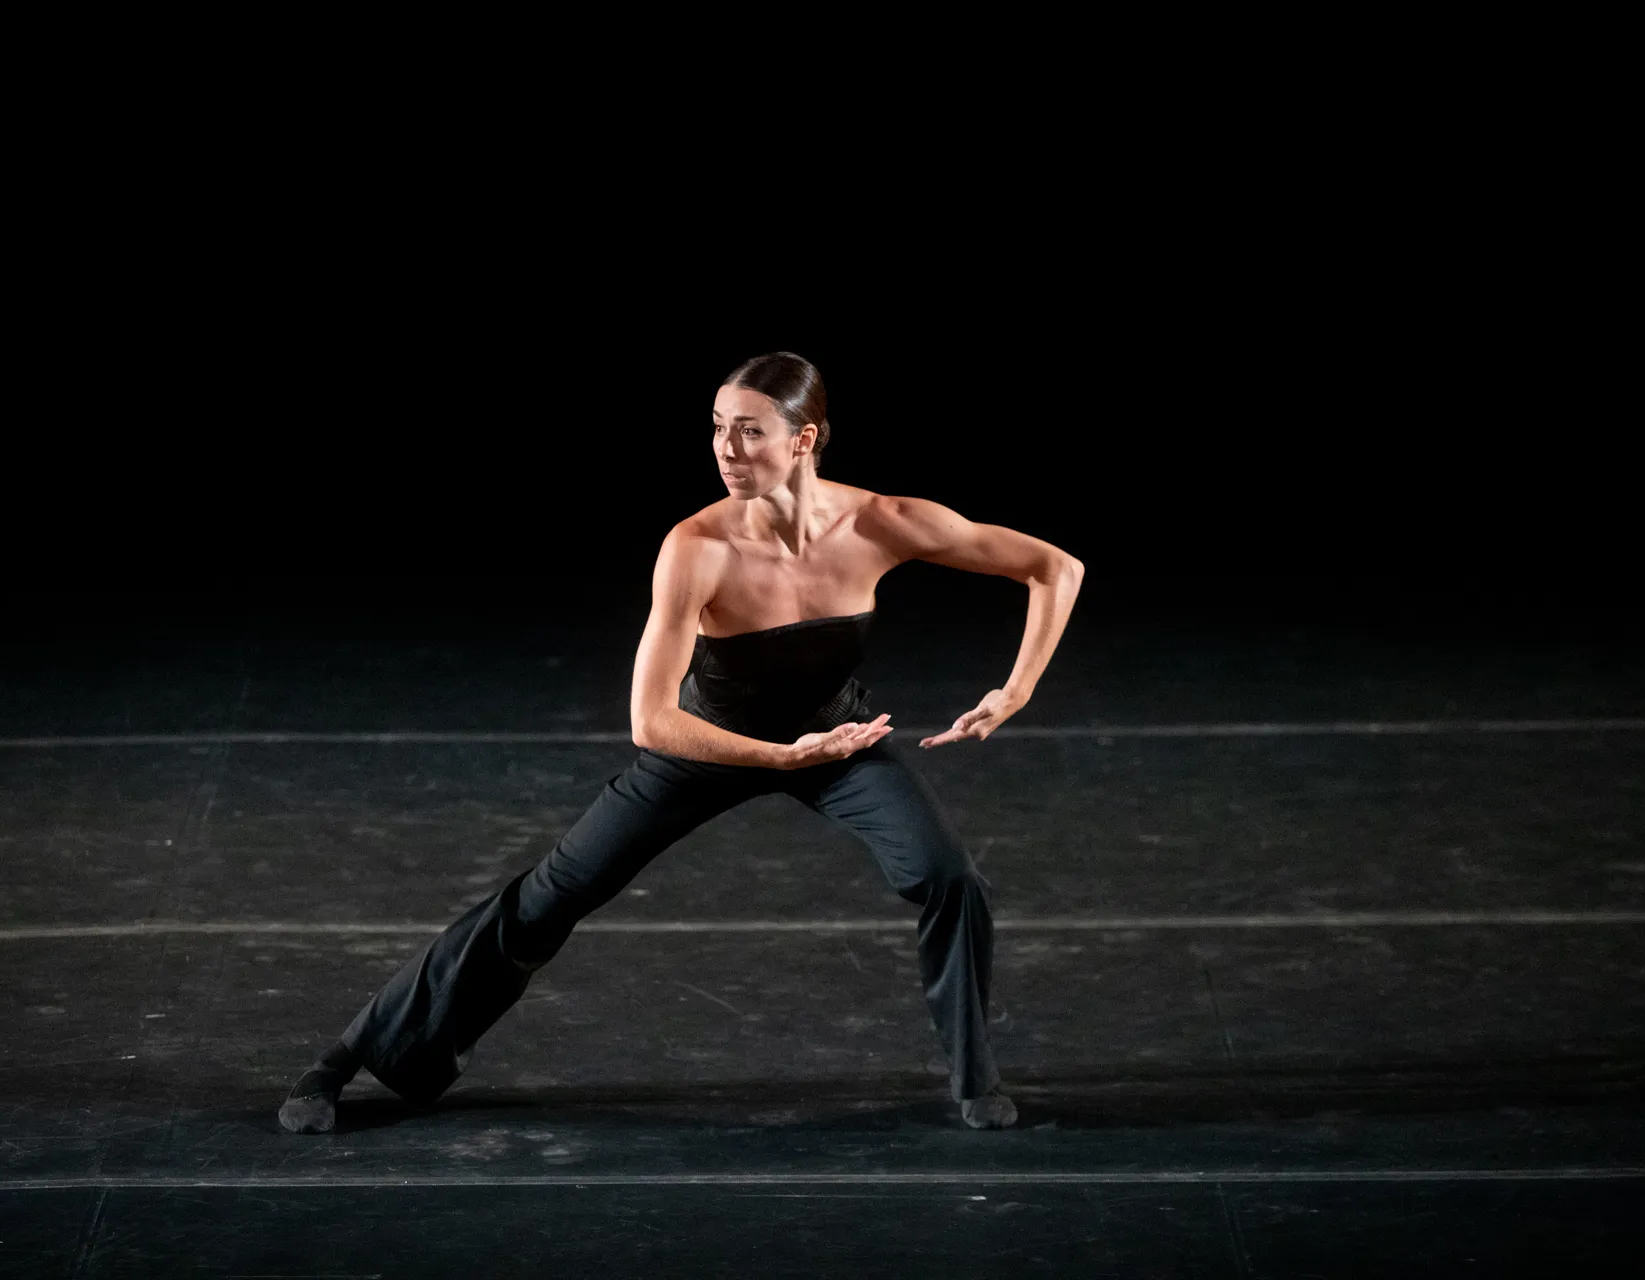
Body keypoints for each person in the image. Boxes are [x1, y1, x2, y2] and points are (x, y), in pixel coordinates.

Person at [279, 351, 1084, 1134]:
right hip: (703, 744)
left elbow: (1054, 567)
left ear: (804, 439)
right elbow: (650, 722)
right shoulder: (696, 548)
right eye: (718, 428)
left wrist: (1012, 692)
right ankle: (345, 1058)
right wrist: (778, 757)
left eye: (750, 432)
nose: (726, 451)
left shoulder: (885, 522)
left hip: (833, 736)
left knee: (950, 878)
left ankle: (975, 1076)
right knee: (545, 901)